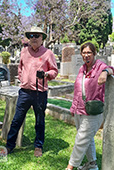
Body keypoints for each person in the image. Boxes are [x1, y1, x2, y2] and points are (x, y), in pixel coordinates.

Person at [6, 26, 58, 157]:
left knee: (39, 121)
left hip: (39, 93)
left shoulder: (48, 53)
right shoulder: (24, 52)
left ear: (42, 38)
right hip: (24, 92)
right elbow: (20, 68)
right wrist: (23, 79)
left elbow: (54, 71)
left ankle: (38, 146)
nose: (33, 38)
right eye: (31, 36)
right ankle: (9, 146)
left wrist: (46, 74)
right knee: (17, 120)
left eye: (36, 36)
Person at [66, 42, 114, 170]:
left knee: (81, 140)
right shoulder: (82, 68)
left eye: (89, 53)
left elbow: (111, 69)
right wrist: (73, 107)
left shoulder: (99, 66)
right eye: (84, 53)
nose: (86, 55)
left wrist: (105, 72)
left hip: (93, 111)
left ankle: (70, 167)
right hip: (79, 109)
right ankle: (92, 164)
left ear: (94, 54)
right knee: (87, 140)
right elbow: (78, 90)